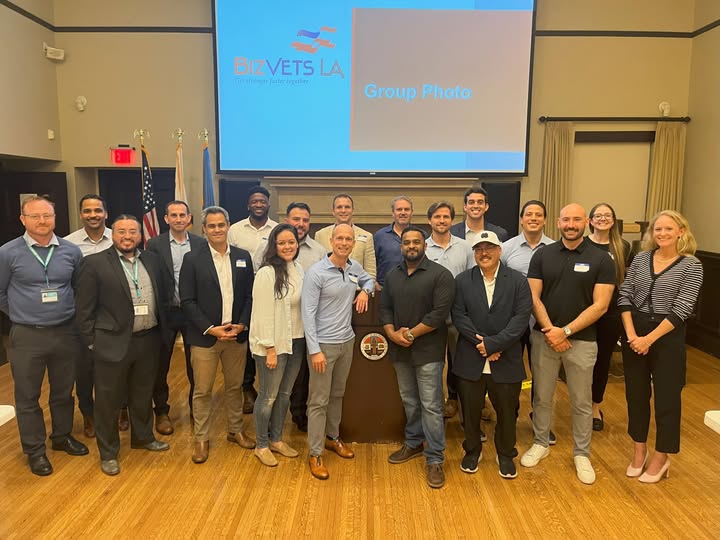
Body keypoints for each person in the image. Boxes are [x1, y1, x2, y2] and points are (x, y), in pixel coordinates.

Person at [520, 203, 615, 485]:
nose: (571, 224)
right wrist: (552, 330)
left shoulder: (602, 259)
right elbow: (533, 297)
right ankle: (540, 443)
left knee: (582, 400)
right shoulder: (542, 255)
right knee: (542, 396)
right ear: (558, 223)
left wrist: (567, 331)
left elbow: (601, 305)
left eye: (576, 219)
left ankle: (582, 453)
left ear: (586, 222)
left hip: (582, 341)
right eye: (566, 220)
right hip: (544, 337)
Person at [75, 215, 170, 476]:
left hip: (148, 339)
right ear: (112, 234)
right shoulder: (94, 263)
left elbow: (164, 295)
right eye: (121, 231)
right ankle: (108, 453)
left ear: (140, 235)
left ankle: (143, 437)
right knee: (108, 401)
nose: (127, 236)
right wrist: (92, 343)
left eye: (132, 231)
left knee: (142, 394)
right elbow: (83, 310)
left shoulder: (152, 259)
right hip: (111, 343)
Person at [0, 196, 89, 476]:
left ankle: (61, 436)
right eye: (35, 216)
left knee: (63, 391)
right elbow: (0, 292)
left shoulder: (71, 251)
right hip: (27, 335)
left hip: (65, 332)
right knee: (28, 396)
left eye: (47, 216)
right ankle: (35, 450)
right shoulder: (7, 253)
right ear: (23, 219)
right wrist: (21, 313)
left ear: (55, 218)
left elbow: (78, 289)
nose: (42, 221)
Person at [618, 210, 702, 483]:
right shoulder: (641, 258)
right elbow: (625, 295)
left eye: (668, 229)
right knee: (636, 396)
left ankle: (662, 456)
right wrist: (632, 335)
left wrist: (649, 339)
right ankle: (639, 450)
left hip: (667, 335)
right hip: (634, 332)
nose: (662, 234)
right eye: (658, 229)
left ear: (681, 232)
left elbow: (682, 308)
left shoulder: (692, 265)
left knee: (667, 399)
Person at [452, 231, 532, 479]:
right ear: (474, 253)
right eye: (479, 249)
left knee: (507, 412)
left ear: (499, 251)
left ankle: (506, 453)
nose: (484, 253)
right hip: (471, 356)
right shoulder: (462, 280)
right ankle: (472, 450)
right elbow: (459, 315)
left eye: (489, 248)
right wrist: (483, 345)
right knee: (470, 411)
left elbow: (521, 318)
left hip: (506, 357)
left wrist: (495, 344)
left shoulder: (518, 281)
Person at [381, 225, 455, 488]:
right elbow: (385, 309)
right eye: (406, 242)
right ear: (401, 246)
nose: (411, 246)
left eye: (416, 242)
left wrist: (410, 334)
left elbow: (439, 314)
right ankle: (413, 443)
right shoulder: (393, 275)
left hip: (428, 351)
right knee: (410, 401)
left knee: (431, 405)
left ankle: (434, 458)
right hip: (400, 349)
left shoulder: (441, 275)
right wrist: (392, 334)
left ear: (425, 245)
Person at [180, 206, 255, 464]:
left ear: (228, 225)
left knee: (235, 387)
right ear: (204, 229)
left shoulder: (243, 257)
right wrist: (210, 328)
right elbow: (187, 301)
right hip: (205, 338)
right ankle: (201, 438)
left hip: (235, 336)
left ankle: (235, 430)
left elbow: (249, 296)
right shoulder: (192, 259)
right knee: (202, 390)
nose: (217, 229)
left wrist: (242, 324)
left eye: (221, 225)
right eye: (211, 226)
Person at [302, 224, 374, 480]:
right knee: (318, 400)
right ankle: (315, 452)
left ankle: (333, 438)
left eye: (348, 239)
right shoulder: (316, 273)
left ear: (353, 243)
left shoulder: (353, 267)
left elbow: (369, 280)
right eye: (340, 238)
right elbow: (307, 314)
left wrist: (365, 292)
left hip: (347, 342)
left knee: (337, 394)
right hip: (323, 346)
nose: (344, 243)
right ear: (331, 241)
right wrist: (314, 350)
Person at [146, 200, 205, 435]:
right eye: (174, 215)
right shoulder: (155, 244)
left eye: (182, 215)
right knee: (160, 365)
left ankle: (195, 408)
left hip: (193, 313)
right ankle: (161, 411)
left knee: (195, 365)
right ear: (166, 219)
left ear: (189, 218)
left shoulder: (200, 243)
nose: (179, 219)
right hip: (166, 312)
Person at [501, 200, 557, 444]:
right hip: (513, 321)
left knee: (543, 374)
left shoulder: (555, 249)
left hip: (543, 321)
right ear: (521, 219)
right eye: (529, 214)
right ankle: (509, 418)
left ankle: (540, 420)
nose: (533, 218)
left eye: (538, 214)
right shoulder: (506, 248)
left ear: (545, 220)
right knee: (512, 372)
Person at [250, 224, 304, 467]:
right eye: (282, 243)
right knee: (268, 396)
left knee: (284, 395)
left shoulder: (298, 269)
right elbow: (261, 314)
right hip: (273, 344)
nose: (287, 246)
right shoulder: (266, 273)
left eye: (291, 242)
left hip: (297, 341)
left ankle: (277, 440)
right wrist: (269, 348)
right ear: (274, 245)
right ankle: (261, 445)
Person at [64, 194, 113, 438]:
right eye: (87, 211)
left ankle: (119, 410)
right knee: (84, 371)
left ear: (106, 213)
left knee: (116, 366)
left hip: (114, 315)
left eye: (97, 210)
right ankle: (89, 414)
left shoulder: (119, 238)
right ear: (81, 214)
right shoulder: (68, 245)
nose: (93, 215)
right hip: (81, 316)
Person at [228, 186, 278, 414]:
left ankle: (270, 387)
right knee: (246, 339)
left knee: (269, 336)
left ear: (268, 204)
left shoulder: (277, 229)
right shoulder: (235, 230)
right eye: (255, 201)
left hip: (271, 289)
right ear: (248, 204)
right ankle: (247, 387)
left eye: (262, 201)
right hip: (243, 290)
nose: (259, 204)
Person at [424, 201, 474, 420]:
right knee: (432, 365)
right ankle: (434, 410)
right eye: (437, 217)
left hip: (458, 316)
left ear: (452, 220)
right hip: (430, 317)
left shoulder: (465, 247)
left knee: (460, 363)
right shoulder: (422, 247)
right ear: (429, 220)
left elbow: (473, 280)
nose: (441, 221)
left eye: (445, 217)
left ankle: (462, 409)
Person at [585, 203, 632, 431]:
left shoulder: (623, 246)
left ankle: (595, 406)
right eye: (598, 215)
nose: (602, 219)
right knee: (582, 361)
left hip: (611, 313)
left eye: (607, 215)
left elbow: (626, 282)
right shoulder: (582, 244)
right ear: (590, 220)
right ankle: (580, 405)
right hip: (584, 311)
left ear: (613, 220)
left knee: (602, 361)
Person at [314, 193, 377, 279]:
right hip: (327, 285)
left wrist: (365, 287)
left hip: (357, 286)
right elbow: (317, 269)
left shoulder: (367, 237)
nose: (343, 210)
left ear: (352, 210)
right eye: (339, 207)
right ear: (333, 211)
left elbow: (370, 274)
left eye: (347, 207)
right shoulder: (320, 235)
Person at [374, 196, 413, 286]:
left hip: (414, 286)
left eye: (407, 209)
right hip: (385, 287)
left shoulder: (421, 235)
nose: (403, 213)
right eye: (399, 209)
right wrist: (374, 283)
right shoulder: (380, 236)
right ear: (393, 213)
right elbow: (372, 263)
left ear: (412, 212)